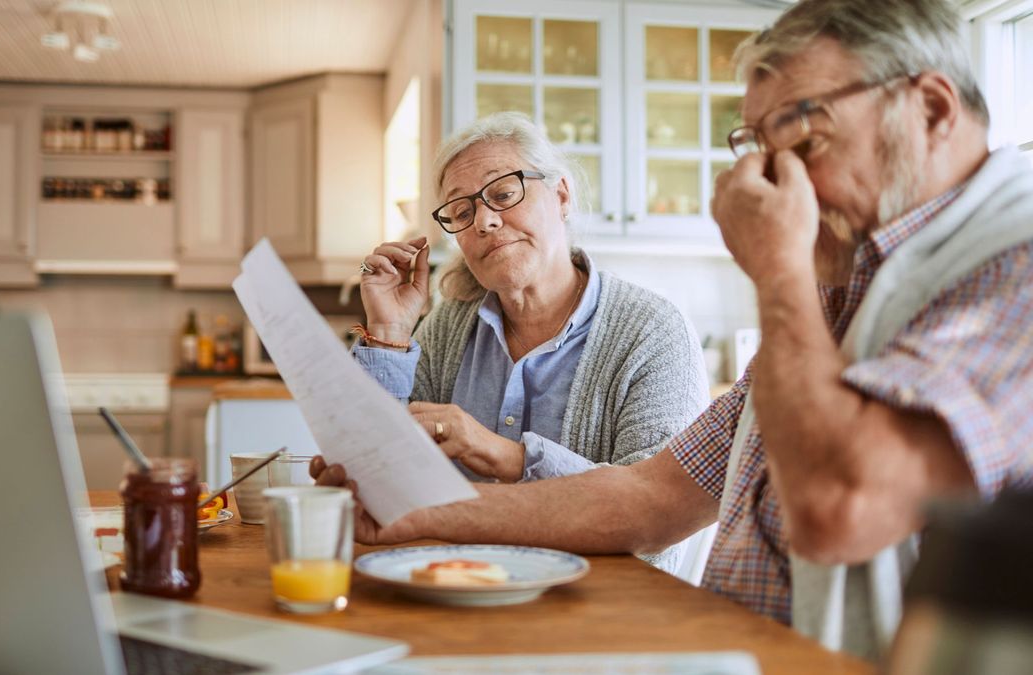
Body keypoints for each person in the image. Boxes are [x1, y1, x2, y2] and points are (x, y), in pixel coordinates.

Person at [315, 0, 1033, 659]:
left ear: (933, 108)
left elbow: (838, 508)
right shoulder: (851, 293)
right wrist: (409, 516)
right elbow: (648, 498)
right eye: (754, 145)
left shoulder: (1015, 259)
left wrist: (778, 266)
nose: (766, 179)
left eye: (801, 138)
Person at [350, 112, 710, 570]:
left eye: (503, 194)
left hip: (599, 614)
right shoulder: (447, 328)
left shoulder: (653, 333)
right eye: (461, 212)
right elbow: (377, 476)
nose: (484, 221)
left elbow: (658, 521)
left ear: (561, 195)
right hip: (455, 591)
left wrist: (506, 455)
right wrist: (389, 332)